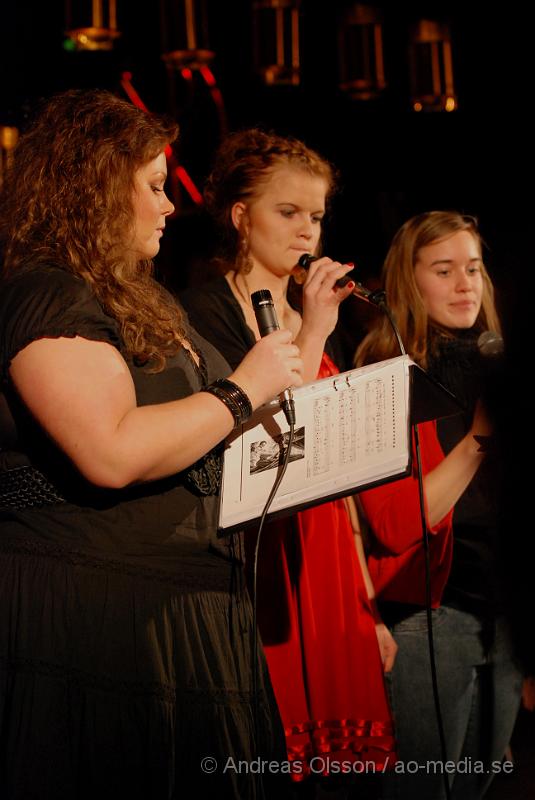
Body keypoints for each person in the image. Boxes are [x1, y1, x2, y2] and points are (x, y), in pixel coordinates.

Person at [0, 90, 306, 800]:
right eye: (154, 187)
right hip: (97, 611)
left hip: (186, 611)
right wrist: (241, 390)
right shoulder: (47, 293)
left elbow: (212, 425)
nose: (170, 206)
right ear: (96, 187)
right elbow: (109, 451)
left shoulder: (147, 299)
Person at [180, 128, 397, 784]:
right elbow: (276, 423)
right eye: (288, 212)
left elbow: (343, 478)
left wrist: (369, 605)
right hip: (261, 552)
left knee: (345, 767)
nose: (307, 231)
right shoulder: (206, 309)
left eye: (317, 216)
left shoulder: (315, 309)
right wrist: (316, 324)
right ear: (241, 216)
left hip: (326, 546)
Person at [355, 210, 523, 799]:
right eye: (445, 270)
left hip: (499, 621)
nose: (465, 285)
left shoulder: (498, 369)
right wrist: (481, 437)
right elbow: (400, 523)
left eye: (473, 269)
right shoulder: (386, 378)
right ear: (409, 282)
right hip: (432, 619)